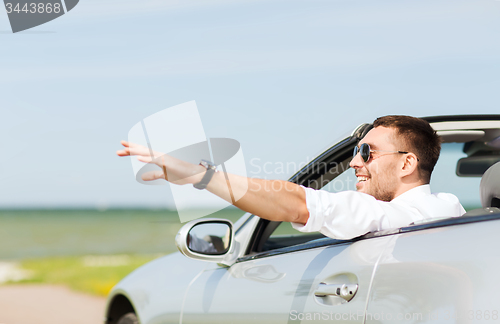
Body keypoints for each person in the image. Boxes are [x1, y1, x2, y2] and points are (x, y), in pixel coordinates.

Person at [117, 115, 465, 240]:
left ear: (406, 164)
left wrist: (200, 175)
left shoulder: (385, 215)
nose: (354, 163)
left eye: (366, 153)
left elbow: (297, 202)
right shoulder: (452, 211)